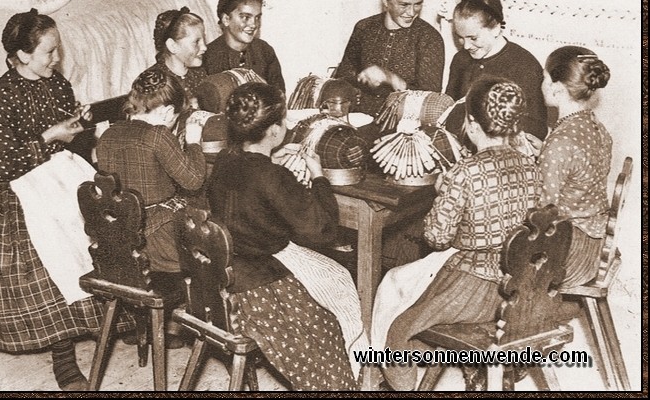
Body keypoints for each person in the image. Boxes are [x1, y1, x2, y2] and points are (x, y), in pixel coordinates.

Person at [0, 9, 130, 391]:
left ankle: (124, 314)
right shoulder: (0, 99)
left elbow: (71, 134)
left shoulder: (57, 83)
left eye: (57, 51)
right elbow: (4, 163)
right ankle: (63, 356)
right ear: (22, 55)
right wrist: (49, 137)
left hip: (58, 170)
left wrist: (75, 125)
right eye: (48, 53)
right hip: (19, 183)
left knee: (103, 224)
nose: (56, 59)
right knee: (49, 251)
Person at [376, 77, 541, 391]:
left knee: (399, 329)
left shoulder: (465, 172)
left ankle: (400, 384)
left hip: (473, 289)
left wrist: (445, 193)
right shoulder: (532, 167)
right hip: (519, 289)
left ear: (472, 124)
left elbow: (436, 237)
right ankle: (478, 369)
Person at [207, 82, 369, 390]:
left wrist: (272, 163)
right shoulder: (271, 176)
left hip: (228, 272)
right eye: (283, 121)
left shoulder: (225, 160)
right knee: (340, 286)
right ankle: (350, 375)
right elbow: (322, 230)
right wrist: (318, 175)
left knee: (331, 277)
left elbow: (250, 181)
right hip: (258, 285)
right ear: (274, 131)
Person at [95, 66, 207, 326]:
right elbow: (193, 181)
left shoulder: (107, 135)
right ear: (168, 112)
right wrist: (193, 142)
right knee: (213, 244)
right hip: (159, 245)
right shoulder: (158, 135)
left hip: (122, 244)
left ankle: (144, 326)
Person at [538, 46, 612, 288]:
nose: (542, 84)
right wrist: (542, 153)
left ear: (556, 87)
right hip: (596, 243)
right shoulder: (597, 128)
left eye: (544, 77)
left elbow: (543, 211)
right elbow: (579, 176)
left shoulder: (561, 142)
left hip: (570, 253)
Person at [334, 0, 445, 117]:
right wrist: (360, 80)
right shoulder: (364, 28)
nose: (412, 12)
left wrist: (391, 78)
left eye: (418, 4)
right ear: (385, 1)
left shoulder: (429, 38)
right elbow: (342, 78)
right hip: (357, 118)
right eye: (404, 5)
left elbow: (431, 101)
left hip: (403, 127)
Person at [445, 0, 549, 143]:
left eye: (473, 38)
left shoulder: (525, 65)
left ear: (495, 29)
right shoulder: (460, 60)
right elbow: (449, 107)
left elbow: (537, 128)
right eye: (460, 38)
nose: (466, 46)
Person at [203, 0, 285, 93]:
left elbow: (278, 96)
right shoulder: (208, 56)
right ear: (226, 19)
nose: (253, 24)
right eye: (246, 17)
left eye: (257, 17)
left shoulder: (265, 51)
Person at [149, 5, 208, 109]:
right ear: (173, 46)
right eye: (196, 42)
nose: (204, 47)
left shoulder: (201, 74)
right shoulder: (154, 82)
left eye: (204, 39)